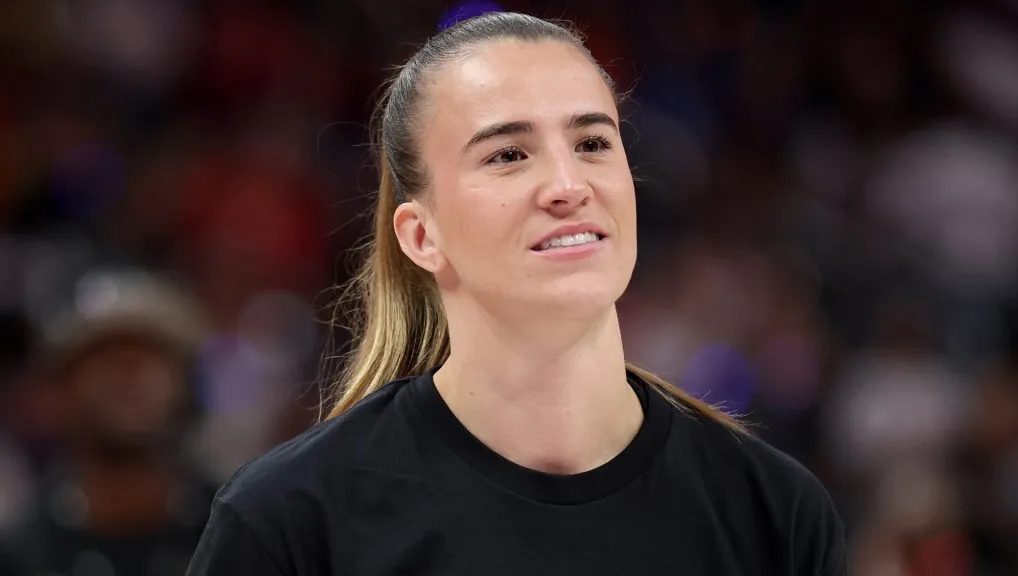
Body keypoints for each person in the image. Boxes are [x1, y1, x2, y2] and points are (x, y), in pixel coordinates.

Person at [187, 11, 848, 575]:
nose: (568, 185)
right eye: (507, 154)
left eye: (592, 142)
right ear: (421, 236)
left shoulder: (773, 512)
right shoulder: (290, 522)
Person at [4, 270, 218, 576]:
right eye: (104, 357)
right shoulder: (20, 554)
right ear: (57, 393)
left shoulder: (236, 527)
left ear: (186, 389)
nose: (129, 375)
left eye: (149, 357)